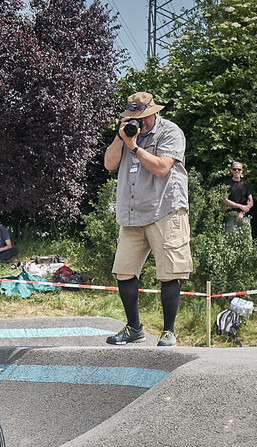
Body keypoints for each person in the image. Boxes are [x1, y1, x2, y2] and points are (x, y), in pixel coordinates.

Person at [103, 91, 193, 348]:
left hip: (164, 209)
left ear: (153, 114)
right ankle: (134, 328)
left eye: (140, 117)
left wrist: (135, 147)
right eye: (131, 117)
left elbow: (162, 168)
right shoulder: (127, 134)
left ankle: (168, 331)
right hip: (132, 212)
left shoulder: (170, 132)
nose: (136, 122)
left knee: (168, 273)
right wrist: (121, 139)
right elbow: (109, 164)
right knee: (123, 271)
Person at [222, 161, 253, 239]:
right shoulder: (226, 184)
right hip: (231, 216)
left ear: (242, 171)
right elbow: (225, 200)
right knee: (230, 241)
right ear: (232, 170)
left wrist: (242, 212)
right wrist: (240, 206)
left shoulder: (245, 185)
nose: (237, 171)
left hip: (244, 217)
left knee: (247, 241)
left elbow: (251, 202)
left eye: (239, 169)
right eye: (235, 169)